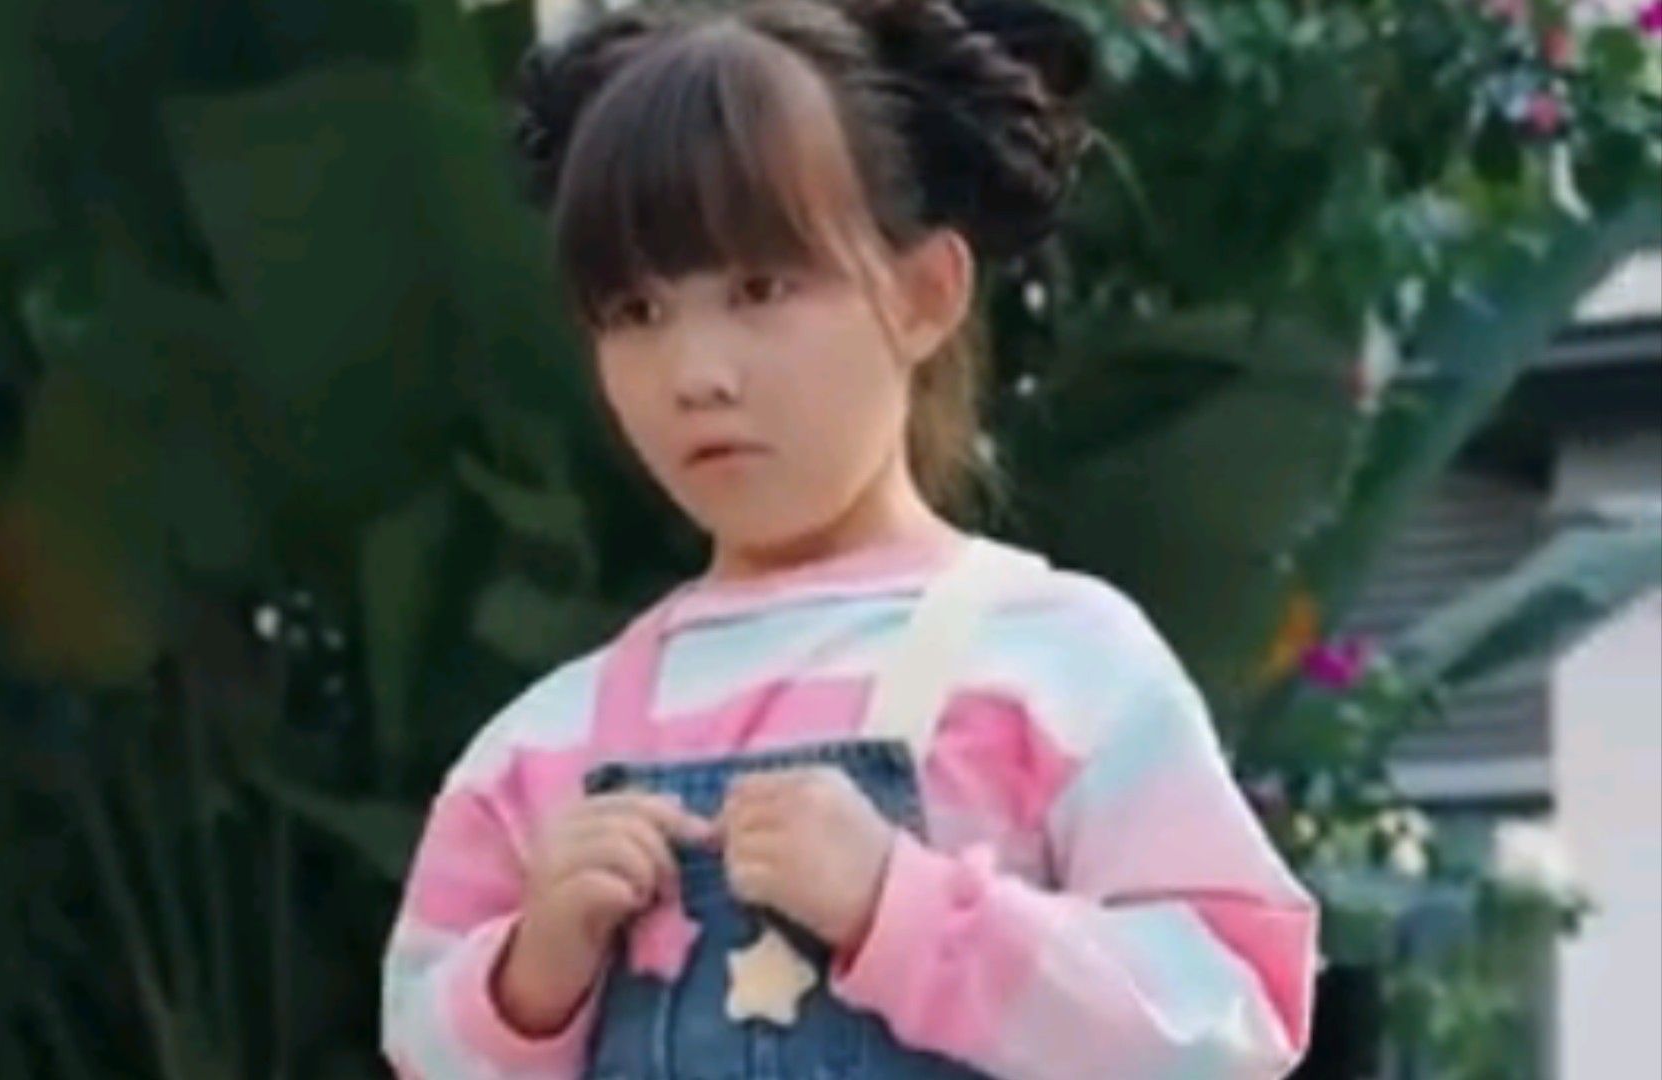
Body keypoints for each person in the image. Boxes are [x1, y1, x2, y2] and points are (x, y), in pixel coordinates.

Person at [381, 0, 1319, 1074]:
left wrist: (908, 913)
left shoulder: (1063, 667)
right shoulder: (538, 752)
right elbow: (420, 1044)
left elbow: (1231, 1025)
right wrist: (525, 983)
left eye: (760, 288)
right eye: (635, 312)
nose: (696, 374)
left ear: (925, 294)